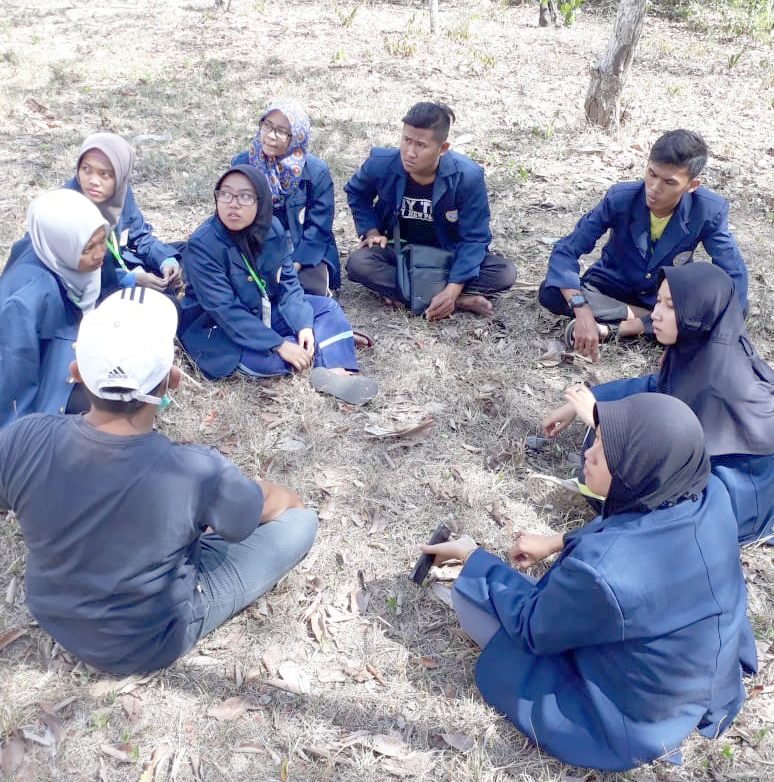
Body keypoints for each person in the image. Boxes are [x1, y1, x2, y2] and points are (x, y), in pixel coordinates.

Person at [422, 393, 756, 772]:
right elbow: (636, 530)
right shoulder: (706, 494)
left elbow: (534, 625)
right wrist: (556, 541)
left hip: (634, 718)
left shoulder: (602, 572)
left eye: (606, 449)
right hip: (706, 679)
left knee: (473, 598)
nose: (589, 453)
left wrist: (473, 558)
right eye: (596, 438)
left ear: (639, 469)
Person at [0, 287, 319, 675]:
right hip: (151, 642)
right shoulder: (195, 470)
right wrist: (290, 499)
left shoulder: (23, 436)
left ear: (76, 372)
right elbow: (252, 516)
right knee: (303, 523)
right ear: (172, 381)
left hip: (53, 614)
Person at [544, 263, 774, 544]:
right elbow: (654, 387)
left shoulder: (721, 387)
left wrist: (599, 420)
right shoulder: (702, 350)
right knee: (607, 438)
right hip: (708, 493)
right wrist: (587, 403)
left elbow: (690, 491)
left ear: (699, 313)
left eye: (671, 307)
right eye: (658, 303)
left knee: (612, 451)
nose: (656, 314)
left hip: (733, 508)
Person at [539, 129, 747, 362]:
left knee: (724, 311)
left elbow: (733, 273)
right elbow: (566, 251)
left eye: (669, 182)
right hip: (609, 288)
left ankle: (619, 328)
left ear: (692, 185)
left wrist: (725, 338)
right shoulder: (621, 197)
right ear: (647, 164)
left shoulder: (708, 210)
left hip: (664, 297)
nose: (655, 187)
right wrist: (582, 310)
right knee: (551, 292)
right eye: (652, 174)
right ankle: (653, 322)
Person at [179, 165, 377, 405]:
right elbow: (225, 311)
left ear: (260, 200)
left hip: (265, 311)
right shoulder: (204, 244)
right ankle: (330, 341)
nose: (233, 203)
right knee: (279, 358)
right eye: (225, 194)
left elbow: (289, 285)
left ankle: (336, 373)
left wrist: (303, 324)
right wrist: (278, 344)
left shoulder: (272, 228)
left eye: (244, 196)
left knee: (327, 308)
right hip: (220, 330)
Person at [344, 101, 516, 320]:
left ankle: (415, 295)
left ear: (442, 148)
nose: (410, 153)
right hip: (400, 253)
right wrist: (371, 231)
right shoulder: (381, 163)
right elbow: (356, 192)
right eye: (406, 140)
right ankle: (459, 301)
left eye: (421, 145)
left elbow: (474, 239)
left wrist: (452, 290)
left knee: (504, 273)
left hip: (447, 255)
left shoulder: (467, 177)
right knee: (359, 263)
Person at [0, 189, 108, 429]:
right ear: (62, 246)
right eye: (88, 248)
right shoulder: (27, 301)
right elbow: (13, 381)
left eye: (103, 240)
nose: (100, 253)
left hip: (64, 356)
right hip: (45, 382)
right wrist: (24, 440)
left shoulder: (57, 253)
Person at [231, 100, 340, 297]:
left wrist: (295, 265)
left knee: (307, 290)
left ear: (297, 137)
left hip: (302, 243)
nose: (271, 136)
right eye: (267, 126)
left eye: (282, 131)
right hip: (259, 241)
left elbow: (318, 228)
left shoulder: (316, 171)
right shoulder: (243, 164)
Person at [65, 132, 182, 297]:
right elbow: (74, 272)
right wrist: (131, 280)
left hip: (125, 260)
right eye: (86, 169)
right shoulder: (66, 208)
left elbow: (140, 234)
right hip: (97, 283)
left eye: (104, 173)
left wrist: (166, 261)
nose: (93, 181)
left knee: (189, 251)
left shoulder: (120, 190)